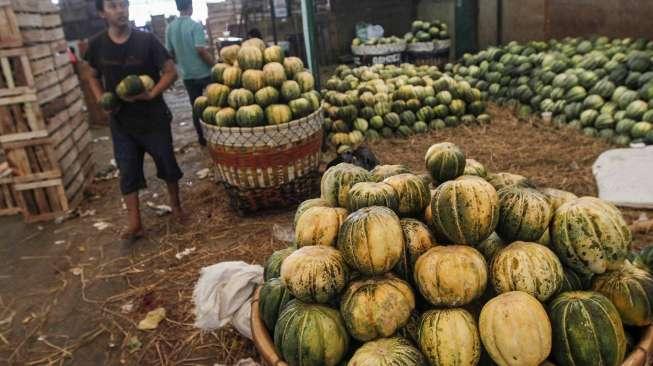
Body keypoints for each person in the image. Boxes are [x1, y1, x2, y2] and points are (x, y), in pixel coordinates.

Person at [84, 0, 184, 244]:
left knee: (167, 163)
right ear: (102, 13)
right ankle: (135, 223)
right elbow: (91, 75)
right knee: (127, 171)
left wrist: (151, 93)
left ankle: (176, 207)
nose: (120, 10)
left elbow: (170, 71)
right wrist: (101, 100)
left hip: (153, 117)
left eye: (123, 5)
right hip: (121, 121)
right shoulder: (97, 45)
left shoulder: (146, 40)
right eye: (113, 6)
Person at [166, 0, 214, 146]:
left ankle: (202, 138)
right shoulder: (195, 25)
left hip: (187, 75)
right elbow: (201, 50)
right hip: (204, 73)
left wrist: (182, 63)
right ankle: (217, 134)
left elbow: (170, 53)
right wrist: (215, 65)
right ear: (190, 7)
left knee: (196, 106)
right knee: (216, 102)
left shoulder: (170, 28)